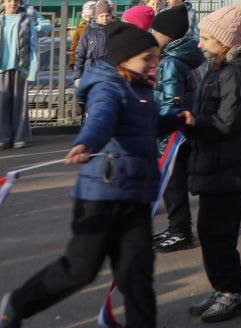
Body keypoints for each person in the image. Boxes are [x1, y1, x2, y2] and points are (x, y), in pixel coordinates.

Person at [0, 20, 190, 328]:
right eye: (147, 58)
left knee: (137, 274)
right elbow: (101, 119)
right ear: (123, 59)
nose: (153, 63)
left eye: (155, 57)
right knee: (80, 269)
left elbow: (147, 127)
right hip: (102, 194)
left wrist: (175, 119)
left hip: (136, 196)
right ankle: (16, 305)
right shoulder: (108, 87)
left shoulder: (140, 88)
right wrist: (87, 142)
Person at [186, 0, 241, 323]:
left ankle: (233, 290)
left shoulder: (234, 74)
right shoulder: (217, 69)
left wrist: (192, 124)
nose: (201, 43)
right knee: (211, 231)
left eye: (206, 38)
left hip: (230, 166)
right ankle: (227, 286)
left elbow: (226, 123)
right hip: (217, 163)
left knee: (216, 232)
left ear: (225, 42)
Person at [151, 4, 205, 253]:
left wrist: (161, 123)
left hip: (173, 135)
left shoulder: (171, 62)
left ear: (168, 35)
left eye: (156, 32)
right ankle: (176, 226)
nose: (152, 35)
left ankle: (180, 231)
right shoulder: (185, 56)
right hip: (182, 131)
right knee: (174, 183)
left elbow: (172, 100)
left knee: (172, 184)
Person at [1, 0, 41, 149]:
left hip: (21, 66)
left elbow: (33, 46)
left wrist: (32, 70)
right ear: (3, 2)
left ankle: (18, 137)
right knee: (1, 103)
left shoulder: (26, 19)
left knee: (20, 104)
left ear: (20, 2)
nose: (13, 4)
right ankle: (3, 137)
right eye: (9, 1)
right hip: (2, 68)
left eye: (16, 1)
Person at [74, 0, 114, 83]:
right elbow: (80, 53)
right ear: (96, 17)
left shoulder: (116, 31)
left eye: (107, 15)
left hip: (110, 72)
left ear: (111, 16)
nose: (105, 18)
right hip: (91, 71)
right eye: (101, 16)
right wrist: (78, 75)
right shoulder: (89, 31)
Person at [68, 0, 95, 68]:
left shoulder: (99, 28)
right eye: (86, 17)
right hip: (82, 60)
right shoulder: (80, 28)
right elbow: (74, 45)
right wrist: (72, 60)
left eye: (90, 17)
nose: (88, 19)